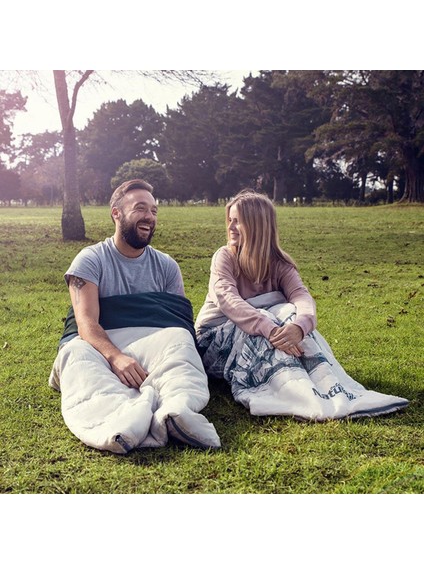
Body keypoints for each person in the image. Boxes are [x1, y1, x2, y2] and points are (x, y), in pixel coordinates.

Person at [195, 189, 409, 421]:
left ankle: (325, 387)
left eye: (238, 221)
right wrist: (271, 329)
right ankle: (294, 392)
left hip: (269, 330)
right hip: (213, 343)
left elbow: (302, 299)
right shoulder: (224, 257)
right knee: (269, 319)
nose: (231, 227)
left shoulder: (280, 264)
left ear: (257, 225)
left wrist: (299, 327)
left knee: (289, 313)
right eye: (230, 221)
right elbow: (229, 301)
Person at [49, 179, 221, 453]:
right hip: (100, 341)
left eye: (154, 211)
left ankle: (176, 412)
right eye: (141, 208)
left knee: (179, 339)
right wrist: (116, 358)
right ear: (116, 213)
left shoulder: (166, 266)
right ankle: (121, 423)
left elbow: (176, 322)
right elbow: (86, 323)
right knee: (76, 354)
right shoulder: (90, 260)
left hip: (152, 339)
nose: (149, 217)